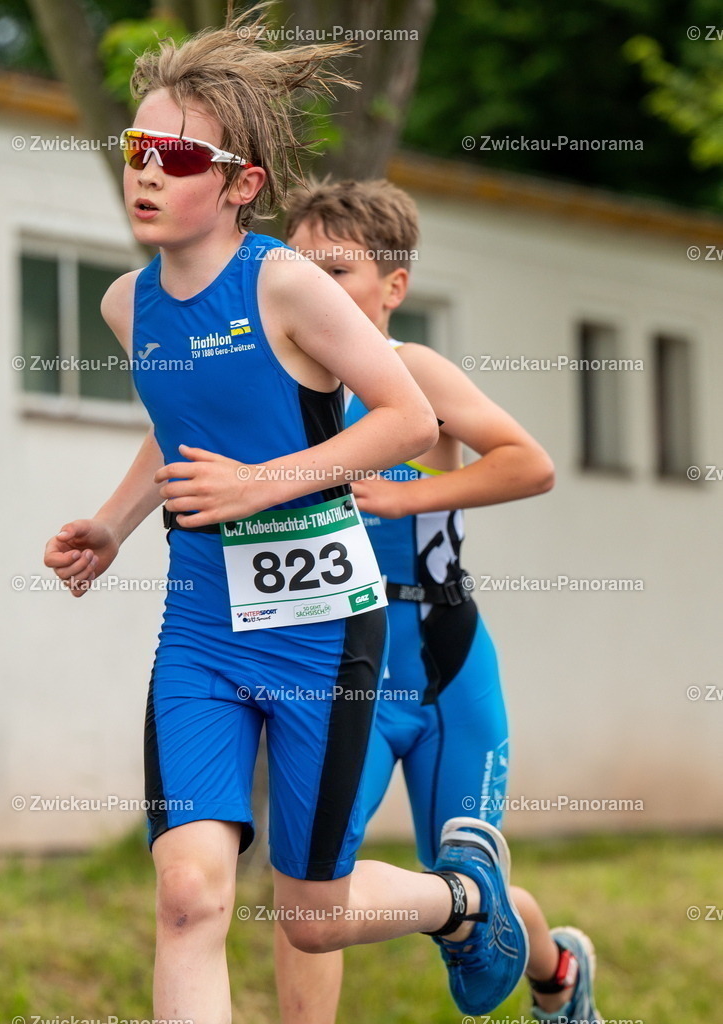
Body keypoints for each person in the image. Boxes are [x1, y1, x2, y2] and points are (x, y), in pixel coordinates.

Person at [43, 9, 529, 1024]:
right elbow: (179, 429)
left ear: (239, 185)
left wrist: (267, 484)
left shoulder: (290, 286)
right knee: (187, 896)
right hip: (203, 630)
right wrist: (114, 523)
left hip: (324, 634)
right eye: (138, 146)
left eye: (176, 153)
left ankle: (461, 901)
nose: (145, 169)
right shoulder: (127, 306)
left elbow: (401, 417)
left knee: (310, 916)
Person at [275, 177, 604, 1024]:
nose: (313, 289)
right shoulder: (277, 389)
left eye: (336, 272)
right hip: (338, 672)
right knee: (310, 884)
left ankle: (555, 970)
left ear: (393, 287)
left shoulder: (411, 371)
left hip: (444, 671)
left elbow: (528, 463)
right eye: (296, 269)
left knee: (477, 889)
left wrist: (404, 495)